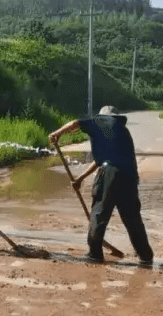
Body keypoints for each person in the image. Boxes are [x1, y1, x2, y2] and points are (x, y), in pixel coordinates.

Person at [49, 105, 153, 266]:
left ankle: (94, 254)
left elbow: (75, 123)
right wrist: (80, 178)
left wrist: (57, 133)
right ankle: (146, 256)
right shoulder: (121, 130)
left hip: (111, 176)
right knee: (132, 218)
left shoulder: (99, 121)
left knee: (99, 213)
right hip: (129, 177)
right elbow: (100, 162)